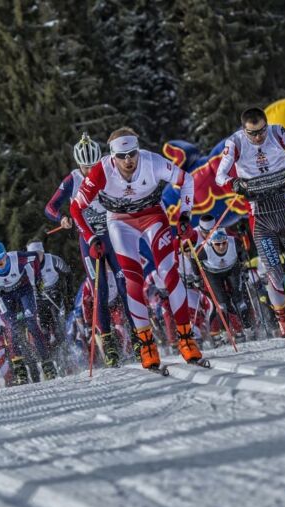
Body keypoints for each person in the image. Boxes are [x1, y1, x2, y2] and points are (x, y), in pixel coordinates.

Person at [69, 127, 203, 369]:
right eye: (122, 156)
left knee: (170, 273)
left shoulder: (153, 162)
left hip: (153, 216)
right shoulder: (101, 170)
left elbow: (188, 180)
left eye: (132, 154)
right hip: (120, 222)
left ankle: (186, 338)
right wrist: (90, 238)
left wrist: (184, 215)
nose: (128, 160)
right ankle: (146, 344)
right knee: (133, 281)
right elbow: (76, 208)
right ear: (112, 156)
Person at [214, 107, 285, 337]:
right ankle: (283, 320)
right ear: (244, 130)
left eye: (261, 131)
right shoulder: (235, 142)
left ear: (266, 125)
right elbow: (220, 176)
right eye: (252, 133)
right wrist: (234, 183)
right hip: (260, 218)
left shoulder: (276, 133)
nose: (258, 137)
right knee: (274, 272)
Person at [46, 133, 136, 361]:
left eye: (93, 166)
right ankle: (108, 343)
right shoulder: (72, 180)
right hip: (88, 240)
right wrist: (61, 218)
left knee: (125, 283)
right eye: (86, 167)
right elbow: (50, 207)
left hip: (111, 235)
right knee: (101, 290)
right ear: (79, 165)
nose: (90, 172)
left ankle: (138, 335)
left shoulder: (109, 170)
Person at [0, 240, 57, 383]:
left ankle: (47, 364)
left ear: (5, 253)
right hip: (3, 296)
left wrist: (37, 279)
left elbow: (35, 257)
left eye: (0, 256)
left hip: (23, 290)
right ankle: (20, 369)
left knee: (32, 324)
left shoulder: (17, 258)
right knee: (11, 327)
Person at [196, 230, 251, 341]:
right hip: (212, 273)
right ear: (212, 243)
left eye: (224, 243)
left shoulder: (234, 242)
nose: (221, 246)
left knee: (238, 299)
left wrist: (244, 268)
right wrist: (197, 276)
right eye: (217, 244)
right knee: (222, 303)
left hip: (232, 269)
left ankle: (248, 328)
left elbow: (242, 253)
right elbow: (193, 259)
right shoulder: (203, 249)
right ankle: (225, 332)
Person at [25, 241, 72, 353]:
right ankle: (48, 355)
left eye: (38, 254)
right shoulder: (25, 266)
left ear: (43, 252)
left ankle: (65, 352)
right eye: (33, 255)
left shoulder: (54, 260)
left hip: (54, 296)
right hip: (38, 299)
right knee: (43, 328)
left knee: (58, 325)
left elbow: (68, 274)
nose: (36, 257)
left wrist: (69, 294)